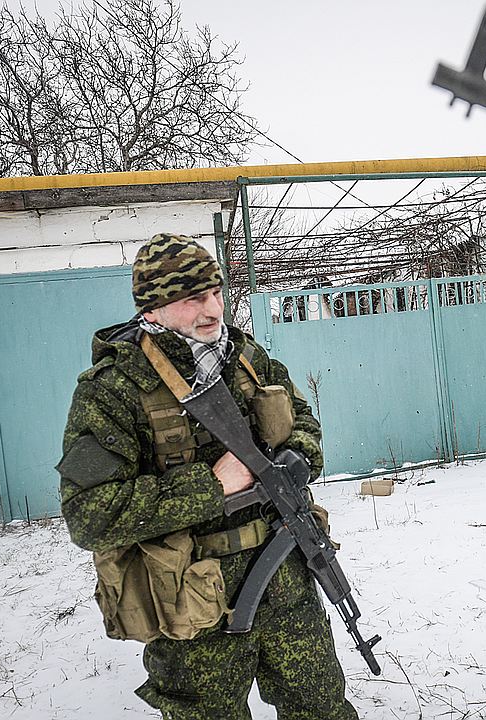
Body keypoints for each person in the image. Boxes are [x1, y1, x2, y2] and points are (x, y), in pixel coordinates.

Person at [57, 233, 359, 720]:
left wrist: (297, 457)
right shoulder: (113, 390)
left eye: (215, 292)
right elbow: (89, 515)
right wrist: (211, 486)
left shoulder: (244, 357)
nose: (212, 308)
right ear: (151, 310)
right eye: (192, 298)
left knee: (321, 707)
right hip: (194, 600)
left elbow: (301, 418)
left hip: (284, 574)